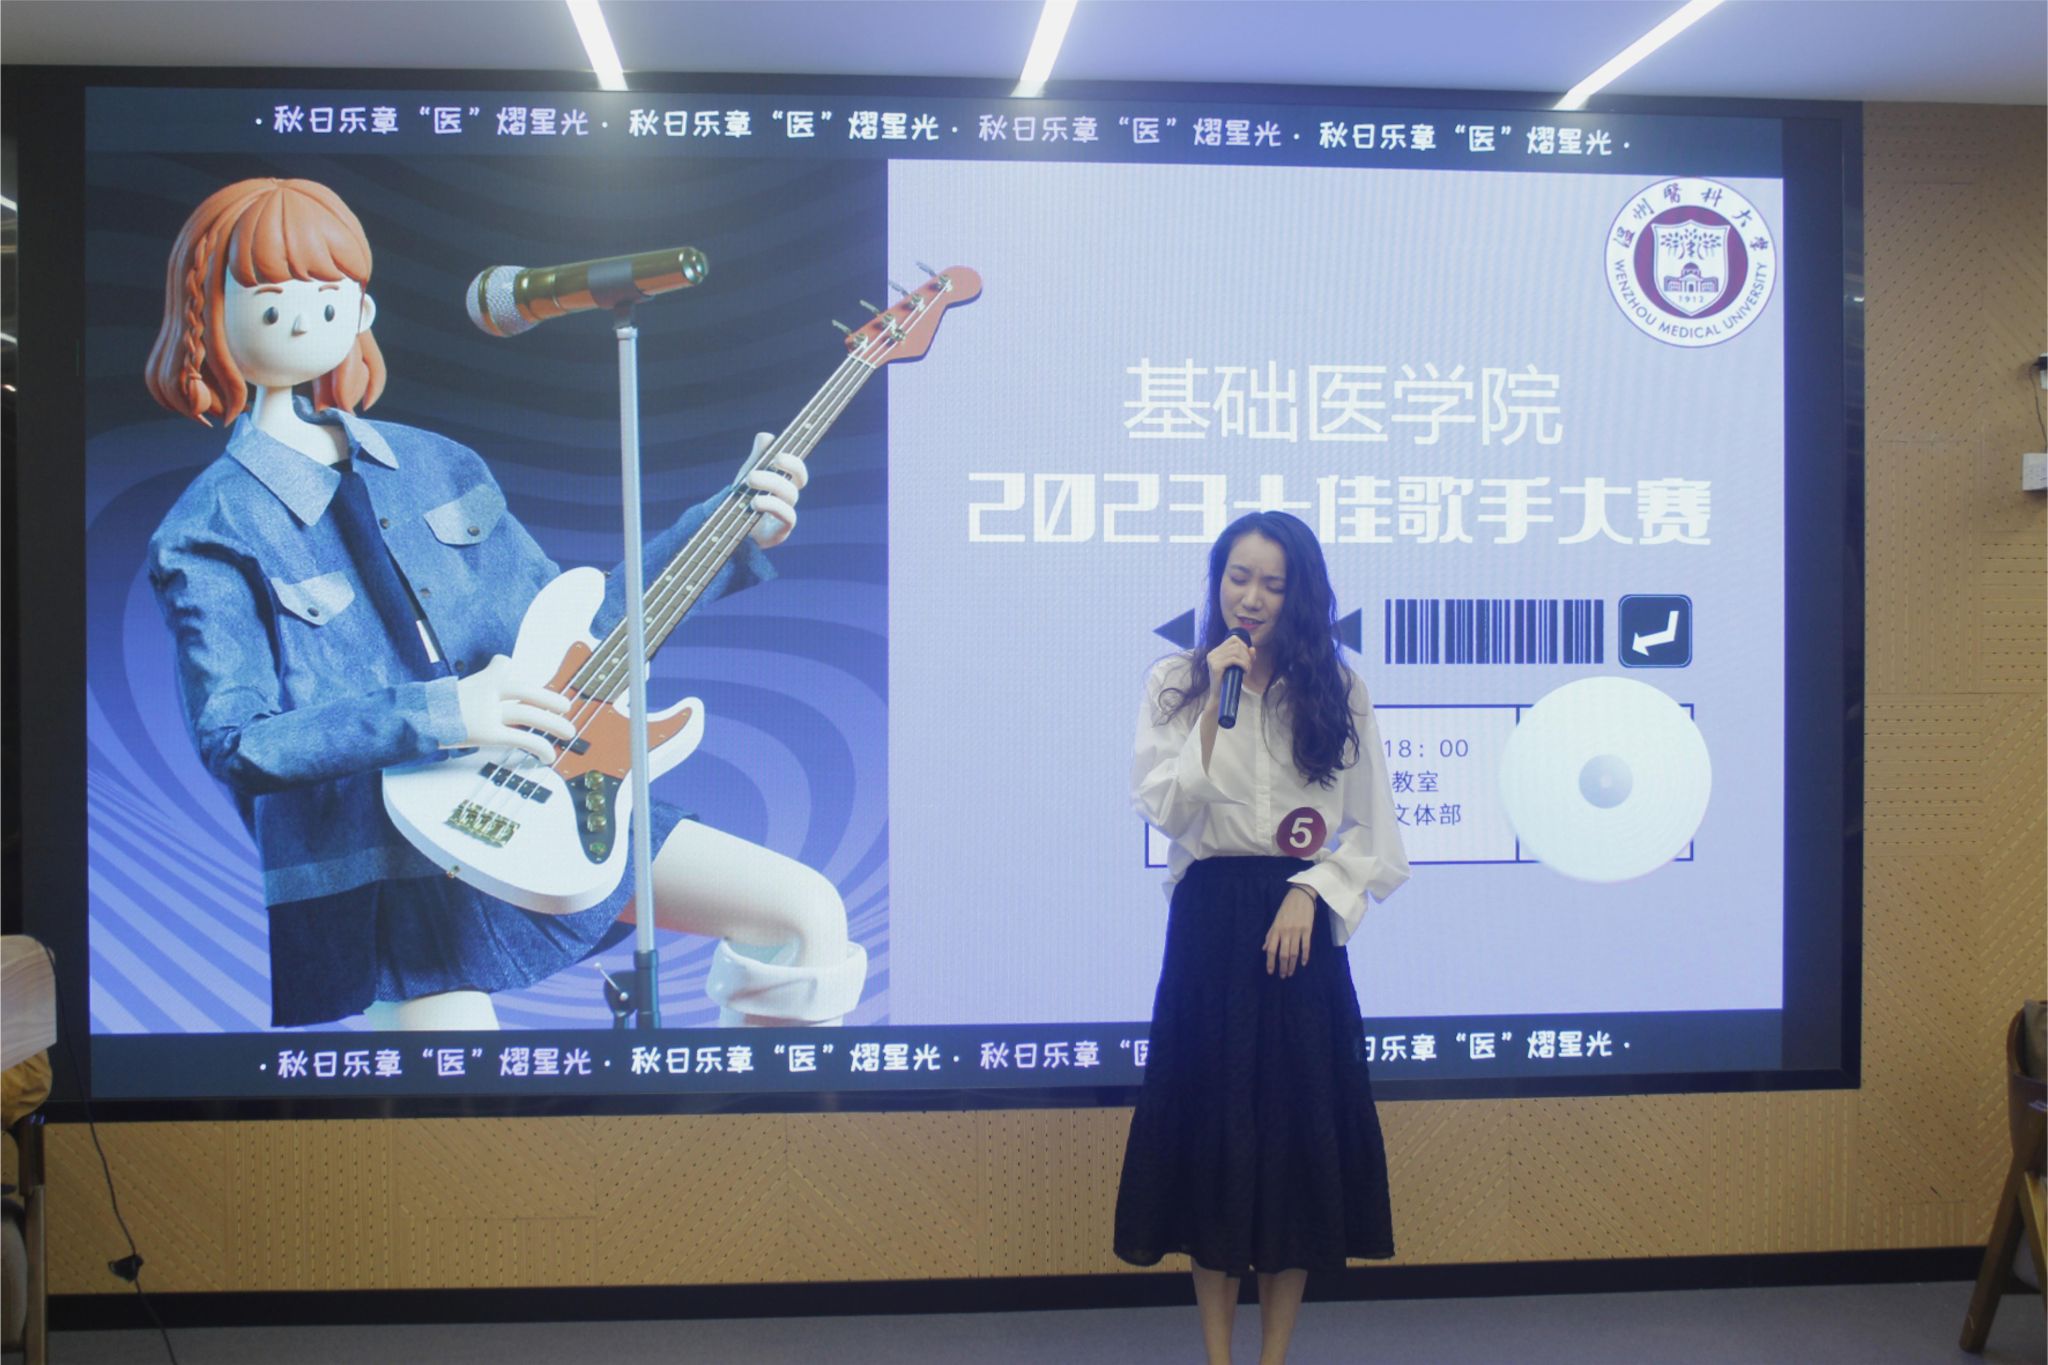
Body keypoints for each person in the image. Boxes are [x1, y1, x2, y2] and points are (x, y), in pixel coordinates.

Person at [142, 177, 867, 1030]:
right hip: (387, 870)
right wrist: (447, 711)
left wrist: (731, 523)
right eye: (271, 297)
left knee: (807, 915)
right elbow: (238, 741)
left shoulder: (439, 464)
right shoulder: (206, 529)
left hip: (550, 792)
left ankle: (743, 1115)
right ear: (207, 314)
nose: (303, 318)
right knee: (464, 1093)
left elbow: (573, 629)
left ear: (361, 307)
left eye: (326, 292)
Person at [1114, 510, 1411, 1365]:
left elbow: (1377, 837)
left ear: (1300, 594)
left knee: (1292, 1144)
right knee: (1212, 1141)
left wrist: (1310, 891)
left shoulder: (1338, 690)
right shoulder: (1179, 681)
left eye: (1272, 584)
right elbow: (1166, 808)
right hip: (1210, 927)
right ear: (1217, 583)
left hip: (1300, 931)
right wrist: (1217, 704)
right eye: (1237, 577)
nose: (1250, 597)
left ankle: (1273, 1355)